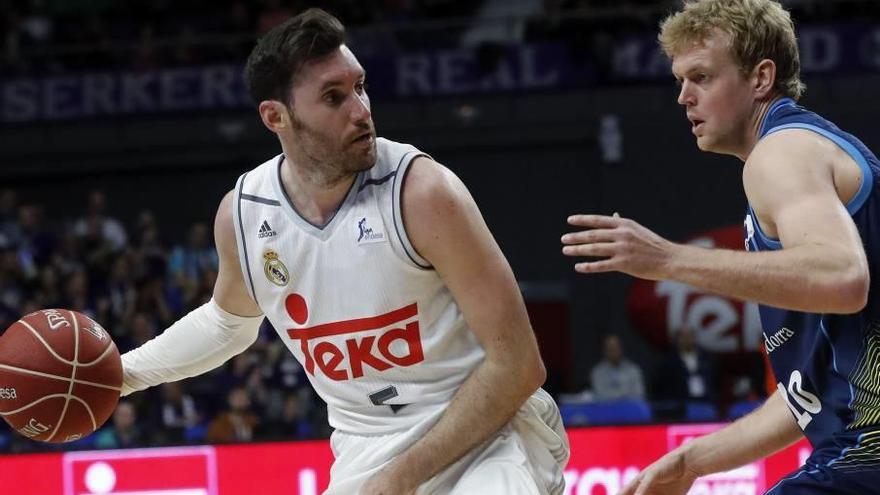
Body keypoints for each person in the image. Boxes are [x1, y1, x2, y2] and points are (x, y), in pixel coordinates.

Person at [120, 8, 568, 495]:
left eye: (360, 87)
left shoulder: (423, 193)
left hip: (487, 436)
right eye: (334, 97)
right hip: (366, 447)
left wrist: (401, 480)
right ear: (276, 116)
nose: (360, 110)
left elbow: (519, 366)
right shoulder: (244, 215)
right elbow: (227, 324)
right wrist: (120, 376)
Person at [562, 0, 879, 493]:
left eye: (702, 77)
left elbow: (843, 278)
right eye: (680, 80)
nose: (683, 96)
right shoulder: (800, 154)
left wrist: (666, 260)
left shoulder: (781, 153)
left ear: (760, 78)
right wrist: (691, 461)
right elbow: (805, 397)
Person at [590, 334, 645, 401]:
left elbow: (639, 394)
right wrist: (624, 396)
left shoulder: (633, 370)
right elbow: (600, 395)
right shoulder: (597, 372)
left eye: (615, 348)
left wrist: (617, 397)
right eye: (610, 349)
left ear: (621, 349)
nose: (613, 352)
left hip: (629, 408)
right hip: (607, 409)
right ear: (605, 351)